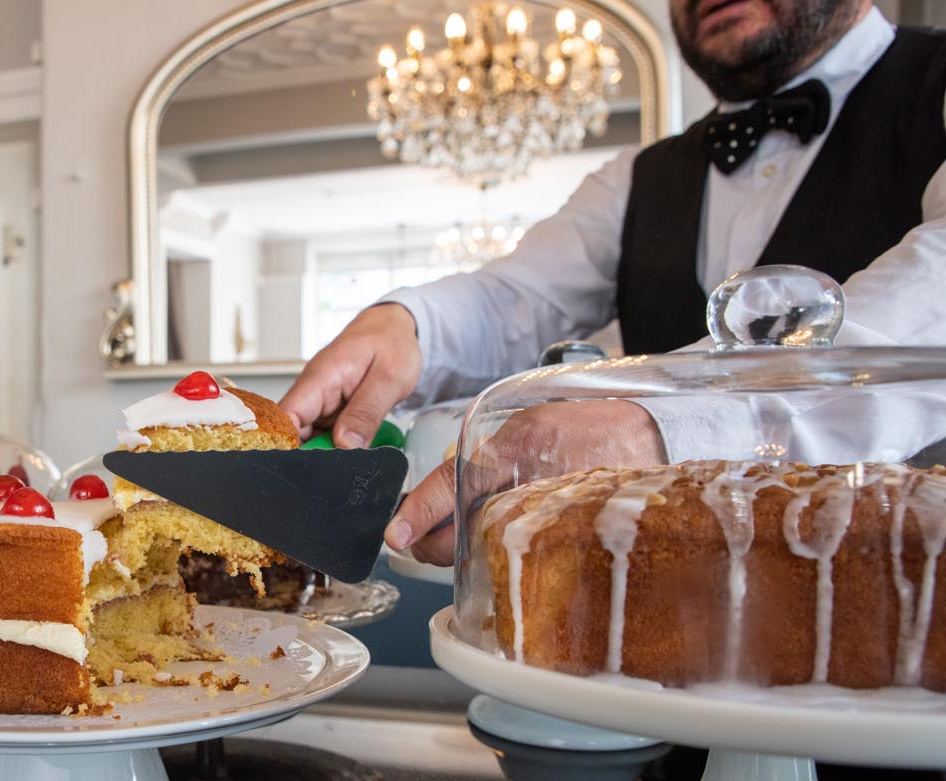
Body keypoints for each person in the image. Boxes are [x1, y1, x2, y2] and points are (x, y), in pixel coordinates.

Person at [279, 0, 946, 565]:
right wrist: (408, 325)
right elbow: (517, 297)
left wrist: (659, 430)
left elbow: (925, 304)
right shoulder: (637, 180)